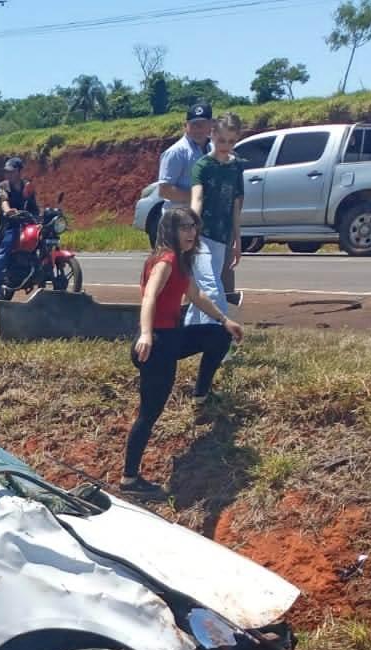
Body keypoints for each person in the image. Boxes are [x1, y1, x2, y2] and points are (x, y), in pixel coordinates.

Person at [121, 207, 244, 496]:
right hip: (157, 345)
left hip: (172, 338)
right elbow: (150, 295)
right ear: (170, 231)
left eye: (194, 227)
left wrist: (224, 320)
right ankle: (129, 479)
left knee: (217, 336)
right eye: (185, 227)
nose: (192, 233)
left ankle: (201, 394)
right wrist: (147, 334)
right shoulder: (165, 260)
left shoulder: (181, 262)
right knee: (149, 414)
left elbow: (196, 295)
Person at [185, 112, 247, 402]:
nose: (225, 146)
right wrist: (191, 229)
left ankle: (184, 338)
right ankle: (221, 344)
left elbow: (236, 206)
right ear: (211, 135)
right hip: (202, 236)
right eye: (220, 140)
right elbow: (196, 199)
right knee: (211, 289)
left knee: (205, 293)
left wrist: (237, 240)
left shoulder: (237, 168)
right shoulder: (203, 166)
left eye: (231, 141)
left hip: (222, 237)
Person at [0, 157, 39, 301]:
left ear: (20, 172)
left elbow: (34, 206)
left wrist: (40, 219)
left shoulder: (27, 186)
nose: (8, 174)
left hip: (26, 223)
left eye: (12, 172)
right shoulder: (3, 187)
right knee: (1, 258)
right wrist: (8, 211)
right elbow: (4, 202)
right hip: (8, 226)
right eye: (7, 172)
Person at [157, 102, 215, 222]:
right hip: (178, 221)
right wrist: (198, 196)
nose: (198, 129)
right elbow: (164, 190)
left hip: (204, 220)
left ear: (211, 124)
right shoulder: (176, 152)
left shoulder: (213, 149)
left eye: (202, 124)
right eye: (193, 125)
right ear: (185, 126)